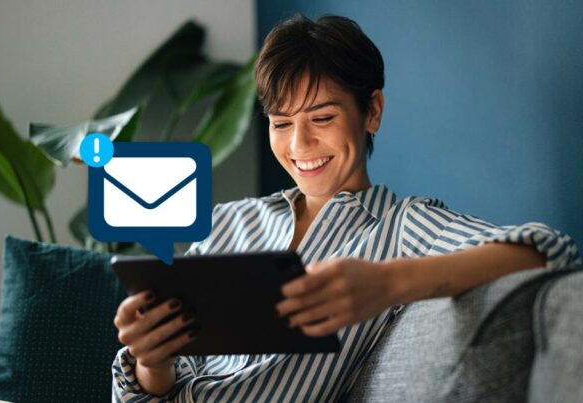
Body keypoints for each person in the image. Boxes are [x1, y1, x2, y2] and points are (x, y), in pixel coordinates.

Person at [111, 14, 581, 402]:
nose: (299, 144)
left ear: (372, 111)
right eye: (281, 123)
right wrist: (152, 361)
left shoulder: (403, 228)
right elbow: (154, 387)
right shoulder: (226, 224)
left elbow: (547, 251)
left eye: (322, 118)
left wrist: (387, 284)